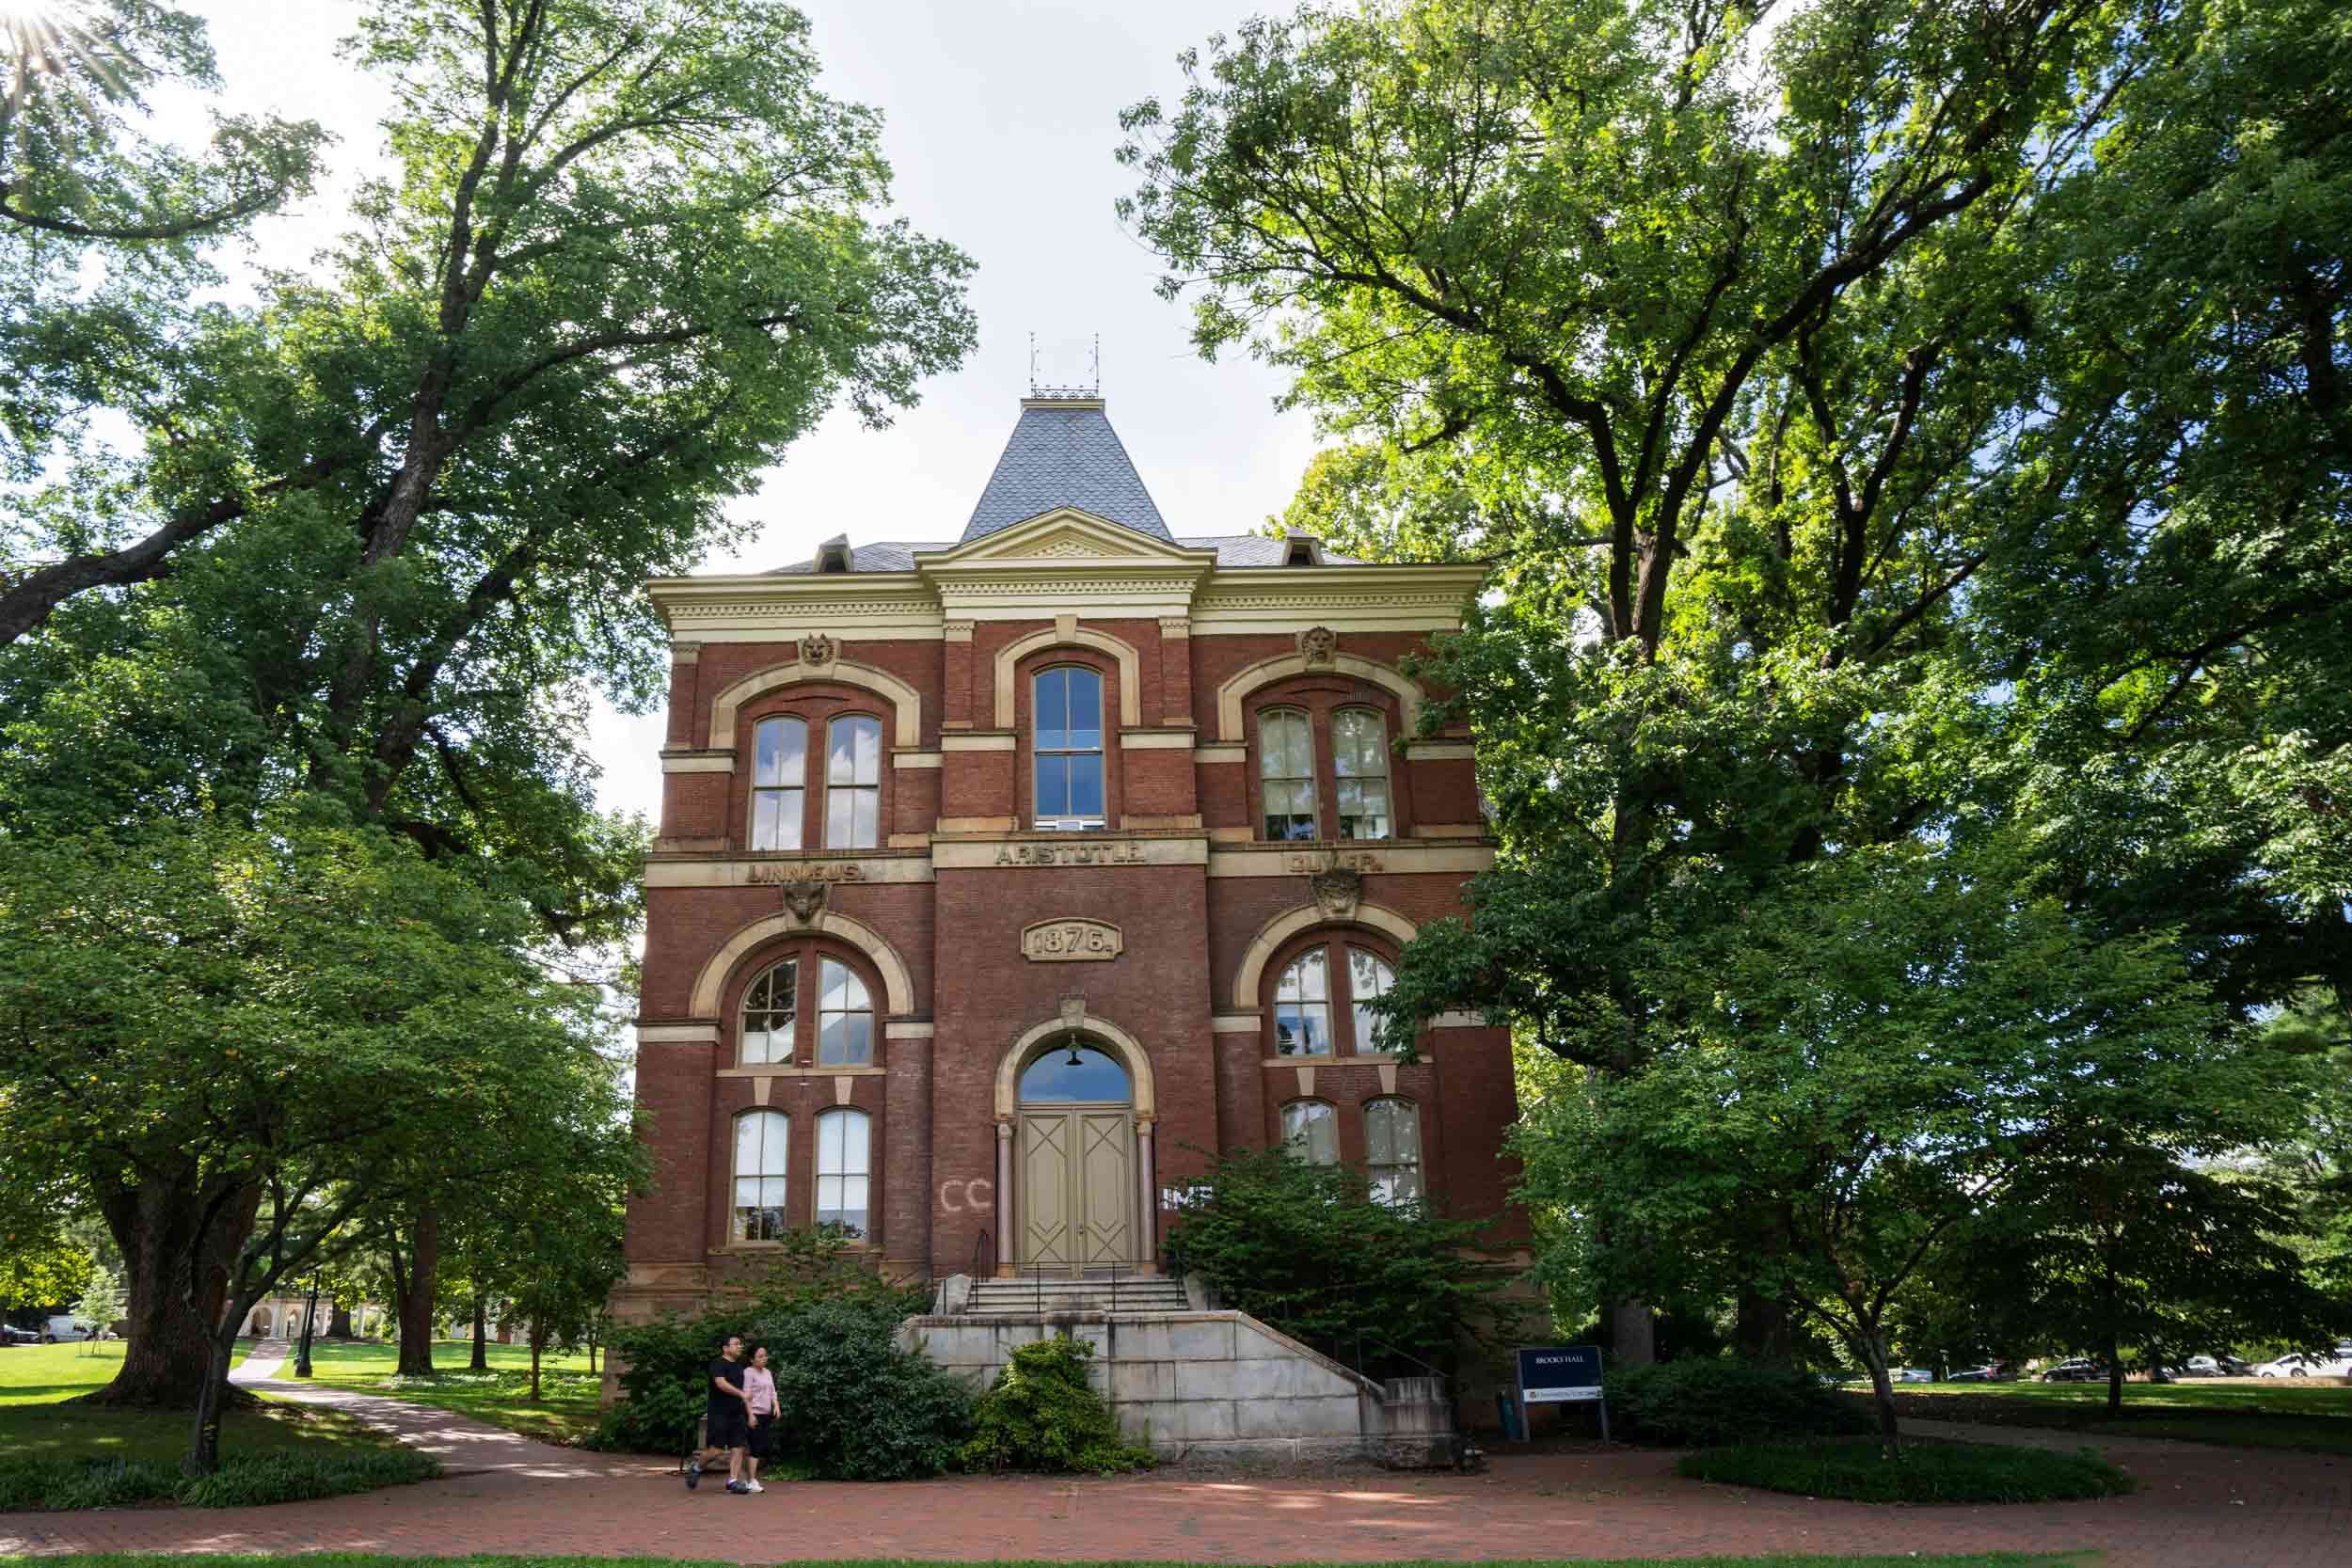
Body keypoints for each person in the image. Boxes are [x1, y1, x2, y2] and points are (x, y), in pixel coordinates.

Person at [685, 1333, 753, 1494]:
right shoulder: (718, 1364)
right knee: (717, 1450)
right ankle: (696, 1468)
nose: (740, 1346)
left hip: (737, 1414)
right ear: (725, 1348)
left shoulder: (739, 1367)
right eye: (736, 1344)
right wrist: (741, 1394)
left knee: (738, 1447)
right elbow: (721, 1383)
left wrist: (750, 1413)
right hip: (719, 1414)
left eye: (740, 1344)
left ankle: (733, 1481)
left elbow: (745, 1391)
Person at [740, 1344, 779, 1492]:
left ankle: (747, 1478)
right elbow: (746, 1395)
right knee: (754, 1447)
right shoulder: (748, 1373)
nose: (764, 1358)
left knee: (759, 1446)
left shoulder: (767, 1372)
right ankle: (751, 1481)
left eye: (765, 1355)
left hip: (766, 1414)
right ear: (751, 1359)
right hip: (754, 1413)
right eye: (760, 1356)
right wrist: (750, 1415)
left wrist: (776, 1405)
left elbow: (772, 1391)